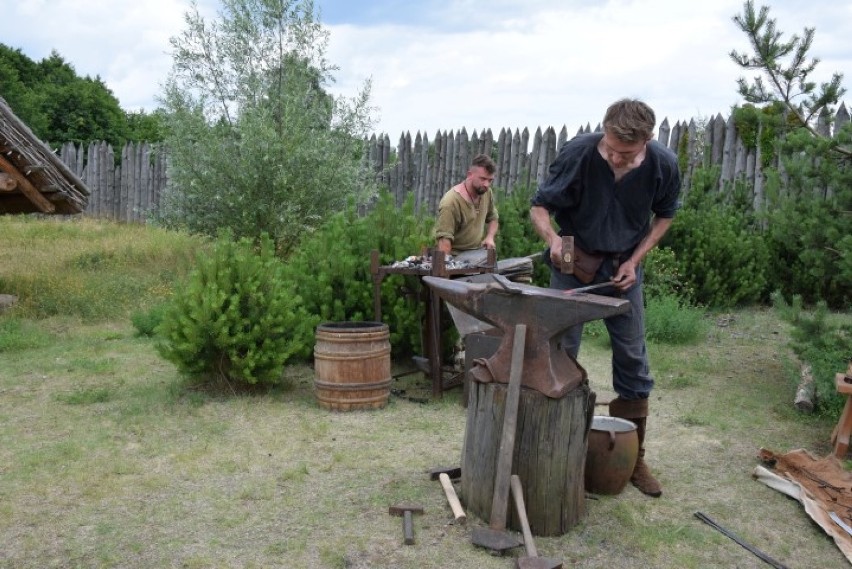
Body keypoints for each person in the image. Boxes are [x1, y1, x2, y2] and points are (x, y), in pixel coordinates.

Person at [529, 98, 681, 497]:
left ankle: (633, 456)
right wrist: (554, 240)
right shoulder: (579, 152)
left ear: (648, 140)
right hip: (573, 265)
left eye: (625, 153)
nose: (614, 156)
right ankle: (559, 451)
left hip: (623, 271)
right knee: (560, 352)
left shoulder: (663, 164)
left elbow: (665, 215)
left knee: (633, 357)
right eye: (610, 147)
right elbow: (540, 207)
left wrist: (636, 260)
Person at [432, 154, 499, 255]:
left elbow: (493, 218)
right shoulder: (451, 202)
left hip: (476, 256)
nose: (487, 184)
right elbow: (444, 242)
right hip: (454, 257)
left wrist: (490, 237)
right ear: (469, 175)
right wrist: (448, 266)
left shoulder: (486, 192)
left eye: (490, 180)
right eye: (483, 179)